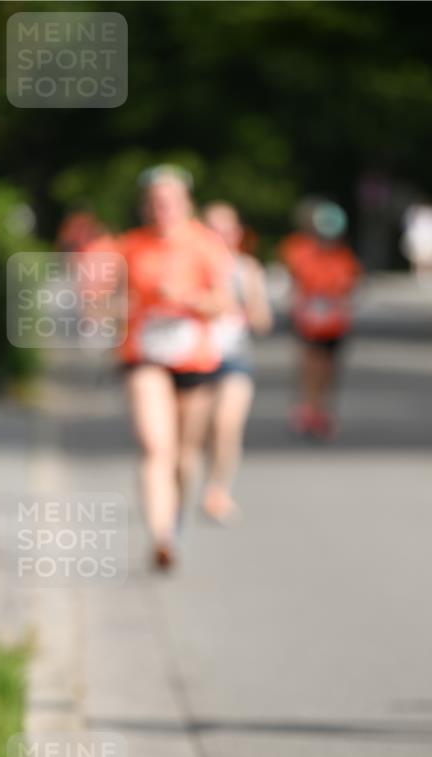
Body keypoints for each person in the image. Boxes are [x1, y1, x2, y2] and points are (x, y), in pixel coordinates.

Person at [112, 165, 233, 568]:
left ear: (185, 203)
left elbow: (223, 305)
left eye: (169, 201)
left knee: (184, 455)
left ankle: (175, 522)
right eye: (153, 202)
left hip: (193, 357)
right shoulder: (129, 246)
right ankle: (160, 535)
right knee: (153, 445)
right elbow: (106, 302)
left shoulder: (205, 245)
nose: (160, 208)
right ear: (144, 205)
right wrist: (116, 310)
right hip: (144, 356)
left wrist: (185, 299)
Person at [199, 201, 273, 522]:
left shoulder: (248, 269)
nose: (219, 237)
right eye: (212, 230)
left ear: (237, 233)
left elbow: (263, 321)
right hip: (194, 358)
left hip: (234, 357)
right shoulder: (190, 266)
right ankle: (191, 479)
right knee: (199, 431)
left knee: (227, 424)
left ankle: (218, 490)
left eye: (225, 230)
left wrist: (246, 310)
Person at [280, 201, 360, 440]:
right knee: (310, 364)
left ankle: (322, 409)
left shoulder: (343, 256)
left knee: (328, 368)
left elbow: (350, 287)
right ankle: (308, 408)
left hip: (334, 323)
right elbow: (296, 283)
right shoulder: (302, 252)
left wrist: (342, 305)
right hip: (309, 320)